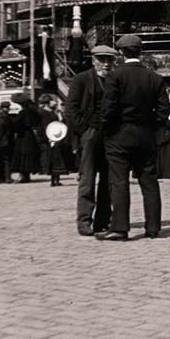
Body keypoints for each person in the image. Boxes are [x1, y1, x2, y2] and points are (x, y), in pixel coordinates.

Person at [101, 34, 169, 241]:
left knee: (119, 182)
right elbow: (163, 111)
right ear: (140, 52)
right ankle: (153, 227)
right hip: (146, 136)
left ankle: (120, 227)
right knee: (149, 182)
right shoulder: (154, 78)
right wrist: (150, 127)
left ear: (121, 53)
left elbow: (109, 108)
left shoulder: (115, 76)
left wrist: (108, 129)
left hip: (120, 135)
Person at [66, 44, 116, 236]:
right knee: (87, 179)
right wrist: (85, 130)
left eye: (109, 60)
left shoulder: (114, 79)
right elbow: (71, 109)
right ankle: (84, 220)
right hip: (90, 134)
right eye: (102, 60)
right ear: (93, 60)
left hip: (110, 136)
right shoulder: (81, 79)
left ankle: (102, 220)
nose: (106, 64)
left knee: (108, 180)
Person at [10, 95, 43, 183]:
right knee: (28, 154)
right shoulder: (33, 112)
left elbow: (17, 124)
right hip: (30, 135)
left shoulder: (23, 113)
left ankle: (24, 176)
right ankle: (27, 175)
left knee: (22, 155)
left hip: (23, 135)